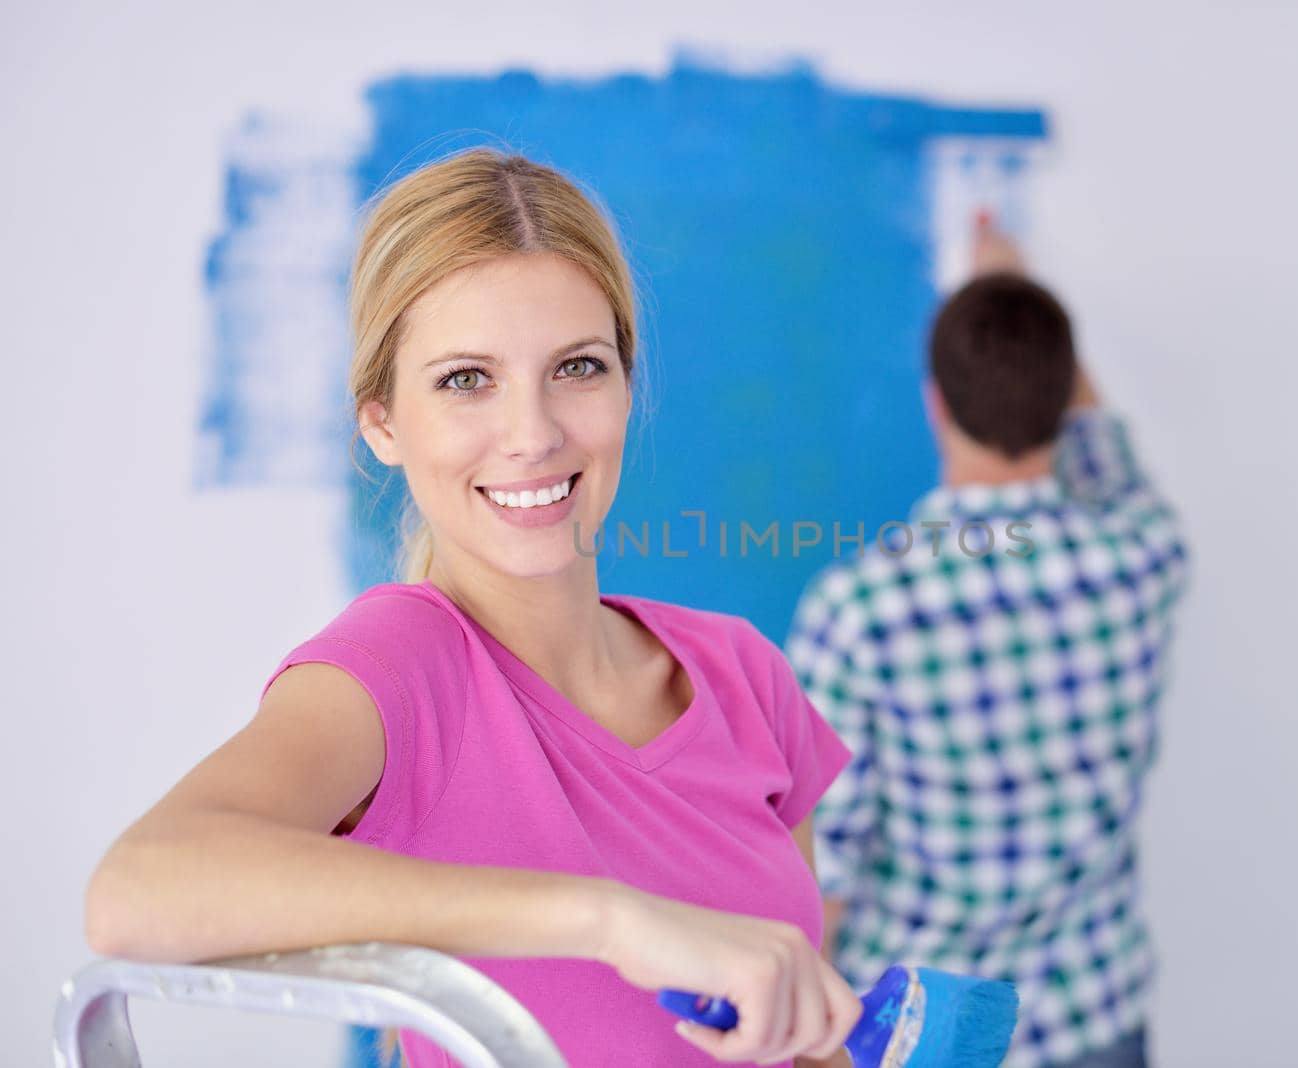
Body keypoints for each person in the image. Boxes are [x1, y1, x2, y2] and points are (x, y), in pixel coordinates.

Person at [84, 147, 863, 1068]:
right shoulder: (402, 667)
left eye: (577, 367)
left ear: (625, 383)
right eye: (465, 379)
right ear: (381, 422)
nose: (533, 435)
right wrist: (608, 921)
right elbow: (136, 891)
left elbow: (799, 1037)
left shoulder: (742, 674)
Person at [787, 218, 1190, 1068]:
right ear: (1063, 400)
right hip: (1096, 1017)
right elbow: (1104, 447)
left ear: (934, 401)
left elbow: (822, 868)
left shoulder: (863, 610)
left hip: (932, 1035)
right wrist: (1025, 301)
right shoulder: (1144, 556)